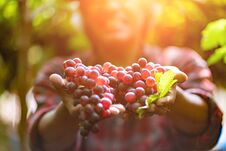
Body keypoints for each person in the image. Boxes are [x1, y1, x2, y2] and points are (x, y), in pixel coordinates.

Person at [28, 0, 223, 151]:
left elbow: (205, 129)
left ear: (146, 11)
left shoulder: (181, 63)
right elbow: (46, 144)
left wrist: (175, 97)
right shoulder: (61, 73)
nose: (112, 6)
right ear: (85, 15)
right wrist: (68, 113)